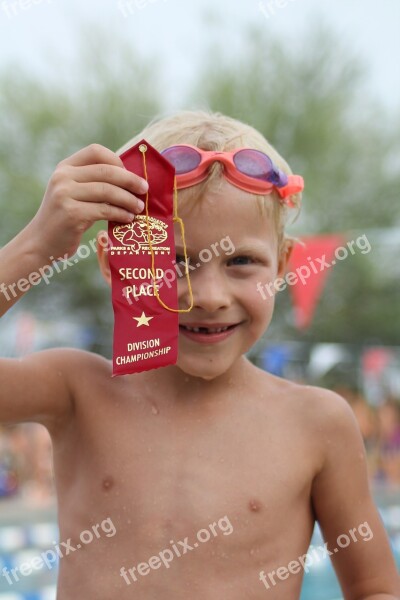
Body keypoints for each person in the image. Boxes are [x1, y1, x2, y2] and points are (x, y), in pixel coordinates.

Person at [0, 110, 399, 598]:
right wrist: (36, 246)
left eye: (241, 262)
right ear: (114, 264)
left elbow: (375, 588)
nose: (208, 296)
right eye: (176, 260)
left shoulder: (317, 423)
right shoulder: (76, 390)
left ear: (284, 264)